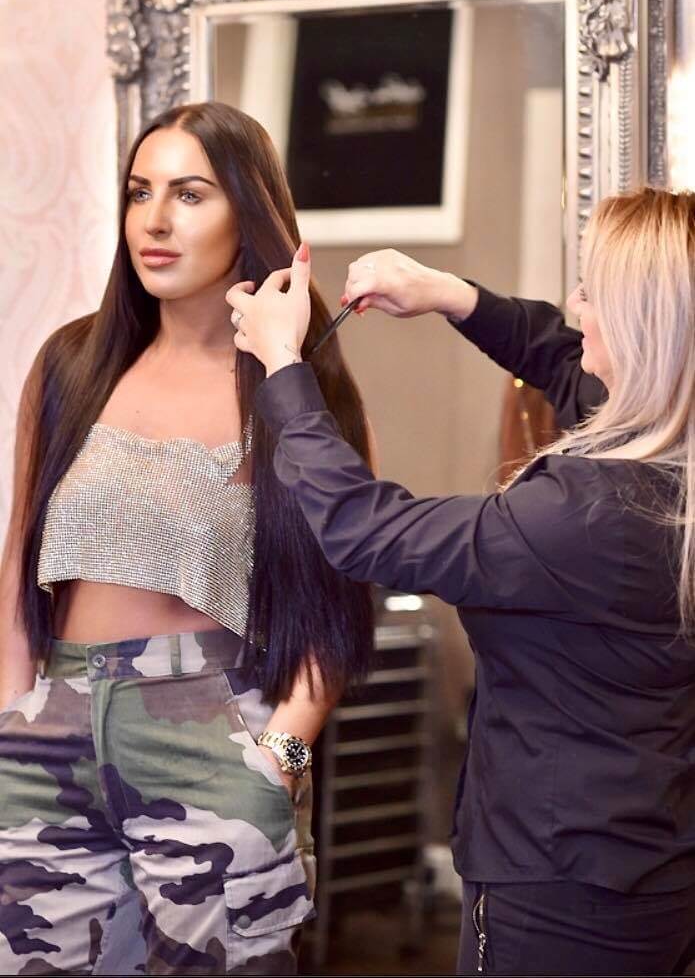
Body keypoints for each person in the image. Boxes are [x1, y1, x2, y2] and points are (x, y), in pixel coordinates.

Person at [227, 186, 695, 976]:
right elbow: (555, 349)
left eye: (593, 293)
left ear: (646, 329)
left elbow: (367, 530)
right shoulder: (669, 461)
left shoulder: (587, 518)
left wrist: (280, 366)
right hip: (647, 863)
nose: (574, 307)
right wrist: (448, 295)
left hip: (557, 891)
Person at [0, 101, 374, 976]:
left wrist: (278, 755)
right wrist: (14, 714)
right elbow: (20, 553)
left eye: (191, 194)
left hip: (214, 725)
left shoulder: (296, 388)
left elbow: (334, 595)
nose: (155, 221)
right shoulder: (70, 363)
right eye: (140, 193)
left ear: (249, 214)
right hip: (49, 724)